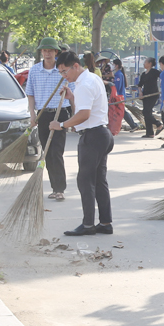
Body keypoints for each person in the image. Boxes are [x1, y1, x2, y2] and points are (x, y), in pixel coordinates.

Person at [51, 51, 113, 237]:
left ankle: (88, 225)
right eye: (61, 73)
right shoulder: (92, 79)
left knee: (85, 181)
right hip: (102, 134)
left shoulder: (84, 84)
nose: (64, 76)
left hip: (92, 137)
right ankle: (105, 222)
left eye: (64, 71)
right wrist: (71, 98)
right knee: (99, 180)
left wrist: (60, 125)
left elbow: (83, 115)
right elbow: (86, 108)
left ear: (75, 66)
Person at [25, 37, 72, 201]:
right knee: (47, 152)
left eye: (50, 51)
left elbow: (73, 93)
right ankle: (54, 187)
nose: (47, 53)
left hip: (60, 113)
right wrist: (32, 115)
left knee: (56, 151)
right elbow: (30, 95)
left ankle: (60, 188)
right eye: (44, 51)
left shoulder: (63, 71)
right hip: (43, 114)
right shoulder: (34, 70)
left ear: (56, 52)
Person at [112, 58, 140, 131]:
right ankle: (120, 125)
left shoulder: (118, 75)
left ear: (117, 66)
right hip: (120, 96)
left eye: (113, 64)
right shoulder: (118, 74)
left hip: (119, 97)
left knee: (122, 112)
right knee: (120, 112)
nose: (112, 66)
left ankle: (133, 125)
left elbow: (117, 87)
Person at [138, 58, 162, 139]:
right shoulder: (144, 74)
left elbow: (163, 77)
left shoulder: (154, 72)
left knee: (146, 112)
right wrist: (140, 92)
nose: (144, 64)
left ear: (150, 63)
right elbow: (139, 85)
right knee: (146, 113)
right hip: (145, 96)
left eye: (145, 62)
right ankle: (149, 133)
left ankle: (158, 124)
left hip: (153, 95)